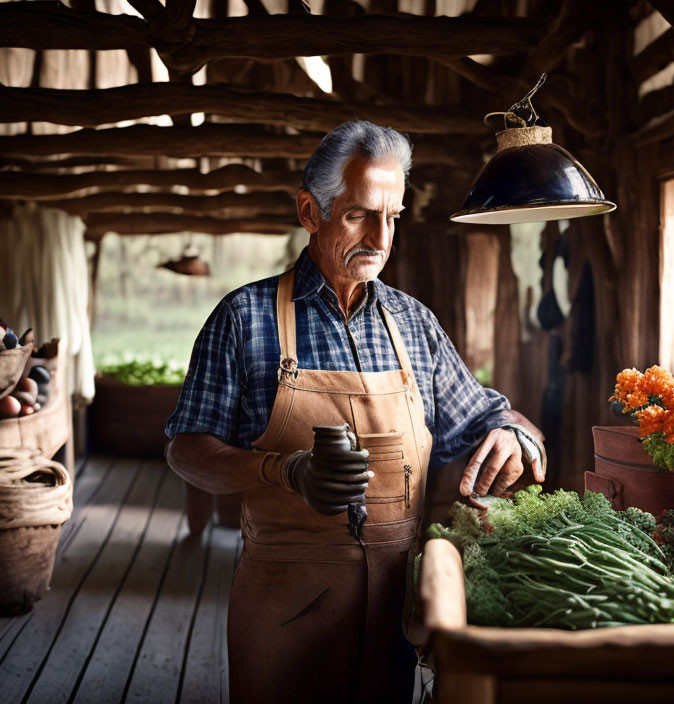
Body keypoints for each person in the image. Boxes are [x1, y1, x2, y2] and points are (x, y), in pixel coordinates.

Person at [164, 120, 546, 704]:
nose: (380, 237)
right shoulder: (244, 318)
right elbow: (187, 449)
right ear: (309, 211)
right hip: (282, 610)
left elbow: (492, 419)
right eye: (359, 214)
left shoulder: (414, 324)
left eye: (392, 217)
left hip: (394, 613)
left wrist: (516, 438)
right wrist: (283, 470)